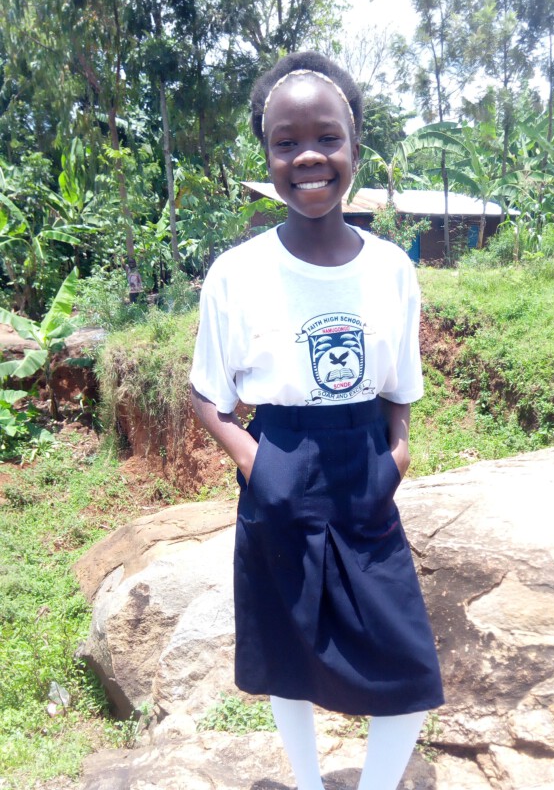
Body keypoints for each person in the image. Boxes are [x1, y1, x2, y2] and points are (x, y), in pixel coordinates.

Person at [189, 51, 443, 790]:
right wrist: (256, 462)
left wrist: (396, 453)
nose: (308, 156)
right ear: (267, 155)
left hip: (363, 463)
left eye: (327, 137)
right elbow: (207, 394)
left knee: (407, 663)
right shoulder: (236, 273)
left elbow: (400, 384)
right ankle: (307, 783)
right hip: (280, 459)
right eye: (286, 141)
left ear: (355, 144)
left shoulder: (391, 268)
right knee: (288, 649)